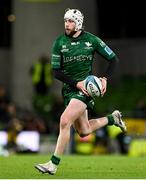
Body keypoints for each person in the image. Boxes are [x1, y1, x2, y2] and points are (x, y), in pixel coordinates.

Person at [35, 8, 127, 175]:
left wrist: (104, 78)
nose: (67, 24)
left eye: (70, 21)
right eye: (65, 20)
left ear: (78, 23)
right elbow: (56, 72)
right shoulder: (59, 42)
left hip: (85, 90)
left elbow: (113, 59)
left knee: (64, 121)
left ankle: (53, 164)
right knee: (83, 131)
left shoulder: (91, 40)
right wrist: (74, 83)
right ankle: (113, 118)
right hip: (70, 89)